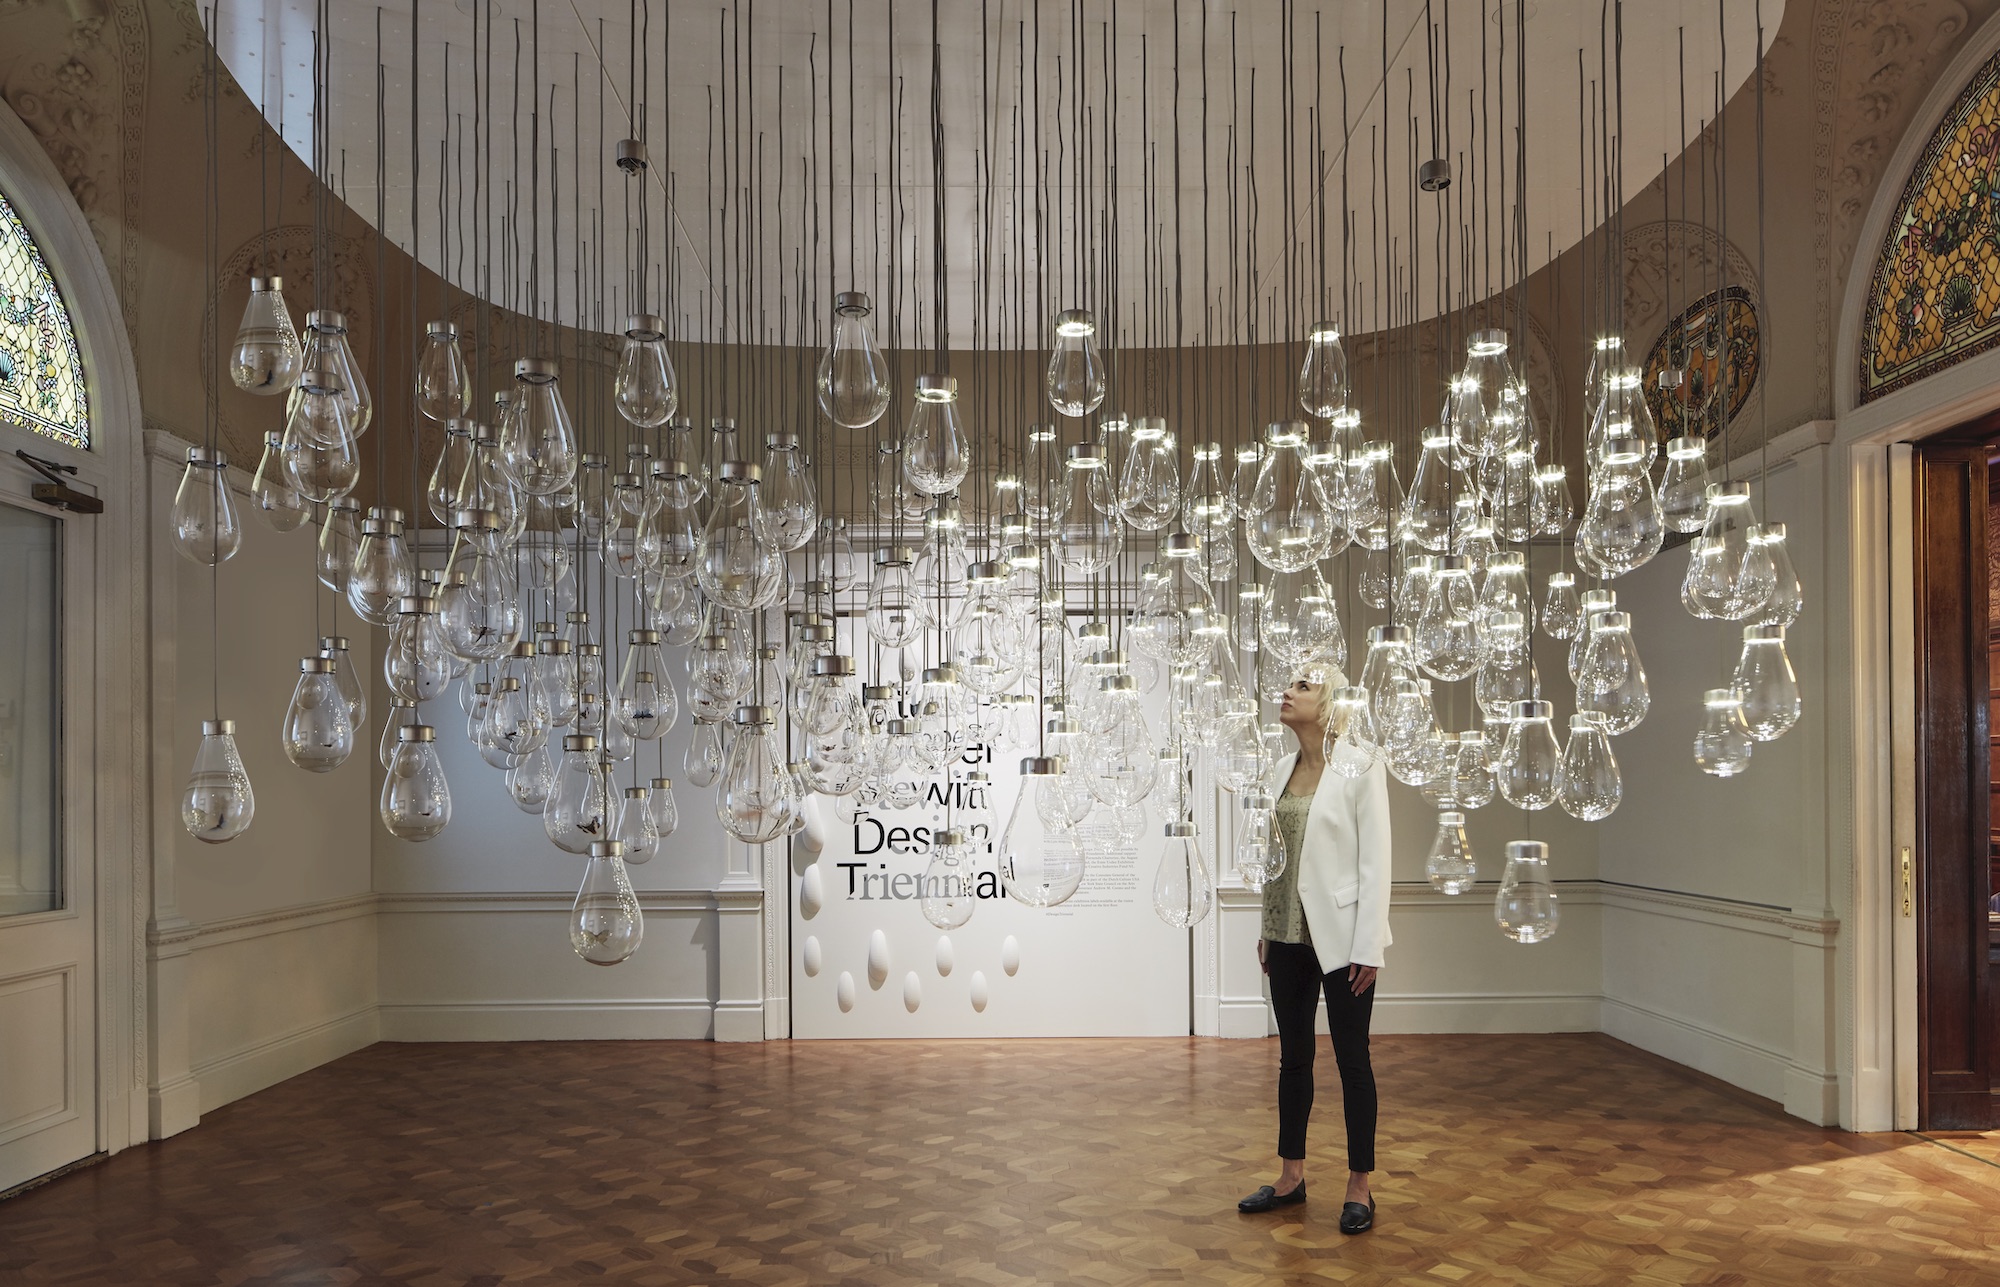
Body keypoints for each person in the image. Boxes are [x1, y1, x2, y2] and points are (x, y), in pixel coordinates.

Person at [1237, 671, 1392, 1234]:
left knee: (1354, 1062)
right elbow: (1274, 857)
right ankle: (1291, 1177)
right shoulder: (1280, 770)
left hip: (1343, 938)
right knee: (1293, 1058)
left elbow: (1377, 860)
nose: (1287, 692)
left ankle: (1359, 1186)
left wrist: (1370, 942)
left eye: (1301, 686)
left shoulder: (1361, 764)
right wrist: (1265, 924)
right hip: (1284, 936)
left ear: (1327, 701)